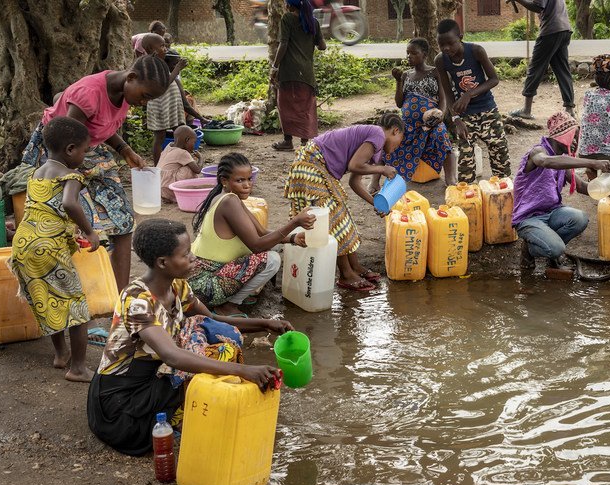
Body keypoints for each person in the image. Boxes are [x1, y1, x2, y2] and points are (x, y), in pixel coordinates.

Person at [87, 218, 287, 456]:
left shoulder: (177, 287)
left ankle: (190, 407)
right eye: (186, 254)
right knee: (211, 354)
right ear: (163, 262)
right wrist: (245, 371)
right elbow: (172, 356)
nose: (193, 258)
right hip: (123, 405)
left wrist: (265, 324)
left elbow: (215, 319)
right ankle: (183, 415)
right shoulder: (137, 300)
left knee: (209, 329)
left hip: (150, 377)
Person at [21, 54, 172, 291]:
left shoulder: (124, 94)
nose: (145, 103)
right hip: (59, 153)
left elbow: (102, 125)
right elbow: (67, 144)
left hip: (87, 148)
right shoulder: (89, 94)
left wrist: (125, 150)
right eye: (145, 96)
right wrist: (76, 185)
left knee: (123, 222)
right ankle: (70, 293)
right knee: (69, 224)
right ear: (131, 77)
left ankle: (118, 298)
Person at [9, 117, 97, 383]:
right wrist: (90, 231)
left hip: (24, 242)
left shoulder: (37, 173)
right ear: (70, 150)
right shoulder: (71, 175)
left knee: (46, 299)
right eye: (84, 151)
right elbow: (70, 204)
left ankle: (61, 355)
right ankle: (79, 368)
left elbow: (37, 208)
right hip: (48, 246)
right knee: (75, 306)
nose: (84, 156)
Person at [285, 116, 404, 291]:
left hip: (319, 167)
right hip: (312, 162)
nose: (396, 147)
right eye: (399, 141)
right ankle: (346, 274)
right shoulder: (377, 134)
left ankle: (354, 267)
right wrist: (382, 169)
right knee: (332, 217)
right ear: (395, 131)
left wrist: (376, 204)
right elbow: (355, 164)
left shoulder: (375, 149)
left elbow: (354, 182)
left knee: (341, 213)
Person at [189, 152, 314, 315]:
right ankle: (228, 306)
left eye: (249, 179)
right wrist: (294, 223)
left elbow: (261, 232)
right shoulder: (229, 202)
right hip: (204, 285)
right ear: (224, 181)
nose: (247, 185)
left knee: (274, 247)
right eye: (240, 180)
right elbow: (256, 245)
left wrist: (292, 238)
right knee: (272, 259)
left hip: (203, 277)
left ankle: (232, 295)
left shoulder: (230, 198)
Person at [514, 112, 610, 270]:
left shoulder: (562, 159)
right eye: (573, 137)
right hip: (529, 218)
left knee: (580, 219)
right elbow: (546, 162)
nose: (575, 142)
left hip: (552, 212)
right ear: (563, 135)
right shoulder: (537, 152)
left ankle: (547, 247)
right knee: (557, 249)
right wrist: (593, 163)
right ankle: (531, 250)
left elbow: (582, 187)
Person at [435, 19, 511, 183]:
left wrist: (468, 94)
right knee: (466, 164)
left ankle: (502, 192)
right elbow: (448, 93)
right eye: (441, 45)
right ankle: (468, 199)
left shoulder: (476, 51)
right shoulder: (441, 60)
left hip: (488, 109)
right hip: (464, 115)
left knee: (500, 154)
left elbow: (493, 79)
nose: (446, 48)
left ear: (460, 37)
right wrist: (456, 119)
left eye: (450, 43)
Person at [384, 38, 456, 183]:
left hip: (430, 122)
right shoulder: (405, 75)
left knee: (441, 134)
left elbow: (443, 99)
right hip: (407, 124)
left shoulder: (435, 72)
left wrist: (439, 116)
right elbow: (399, 103)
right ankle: (375, 181)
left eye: (413, 53)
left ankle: (451, 178)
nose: (409, 56)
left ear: (424, 54)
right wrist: (398, 81)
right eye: (407, 53)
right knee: (385, 138)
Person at [134, 33, 199, 165]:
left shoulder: (159, 62)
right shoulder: (150, 64)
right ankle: (158, 166)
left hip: (170, 105)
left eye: (165, 45)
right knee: (160, 137)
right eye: (162, 46)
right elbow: (162, 85)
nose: (166, 48)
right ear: (151, 49)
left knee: (180, 132)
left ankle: (182, 161)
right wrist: (176, 69)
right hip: (159, 106)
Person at [271, 0, 326, 151]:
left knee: (285, 106)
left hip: (289, 71)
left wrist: (274, 66)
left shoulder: (287, 18)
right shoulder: (313, 22)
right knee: (306, 107)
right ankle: (305, 141)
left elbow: (283, 44)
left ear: (290, 5)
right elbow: (322, 46)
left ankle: (287, 141)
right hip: (307, 73)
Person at [507, 0, 574, 120]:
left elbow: (538, 7)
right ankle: (569, 109)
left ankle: (526, 110)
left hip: (551, 31)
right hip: (565, 30)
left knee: (535, 68)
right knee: (563, 70)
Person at [159, 125, 202, 202]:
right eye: (194, 142)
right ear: (187, 140)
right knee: (189, 169)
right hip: (170, 188)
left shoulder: (169, 146)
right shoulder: (183, 153)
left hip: (159, 187)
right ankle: (185, 192)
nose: (194, 145)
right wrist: (201, 158)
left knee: (186, 165)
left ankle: (167, 196)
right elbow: (197, 170)